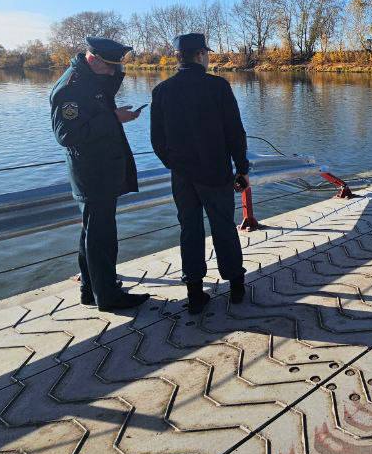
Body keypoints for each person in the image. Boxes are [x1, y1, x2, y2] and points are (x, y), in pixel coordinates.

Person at [151, 33, 250, 314]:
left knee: (189, 230)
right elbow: (235, 132)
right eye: (206, 53)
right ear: (199, 55)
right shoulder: (217, 87)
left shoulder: (162, 91)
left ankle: (194, 291)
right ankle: (236, 286)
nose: (208, 58)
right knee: (223, 228)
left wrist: (176, 165)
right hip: (216, 172)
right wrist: (241, 168)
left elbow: (157, 141)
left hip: (182, 176)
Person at [50, 37, 149, 312]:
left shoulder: (90, 79)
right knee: (101, 236)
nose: (113, 73)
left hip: (102, 168)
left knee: (92, 233)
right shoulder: (71, 88)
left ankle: (90, 290)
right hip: (92, 173)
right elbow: (67, 135)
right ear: (94, 59)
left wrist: (114, 74)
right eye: (111, 67)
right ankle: (108, 297)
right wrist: (114, 119)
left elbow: (104, 95)